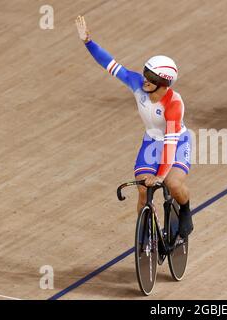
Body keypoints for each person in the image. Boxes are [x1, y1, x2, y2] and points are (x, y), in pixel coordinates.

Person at [75, 16, 193, 238]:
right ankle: (146, 237)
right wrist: (88, 42)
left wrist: (160, 176)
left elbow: (169, 145)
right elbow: (111, 65)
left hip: (176, 143)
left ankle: (185, 211)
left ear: (164, 83)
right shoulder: (137, 83)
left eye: (151, 77)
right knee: (142, 189)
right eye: (145, 74)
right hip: (151, 141)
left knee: (172, 183)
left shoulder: (174, 105)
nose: (144, 79)